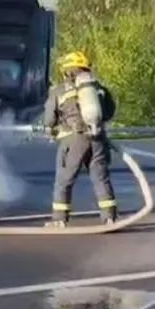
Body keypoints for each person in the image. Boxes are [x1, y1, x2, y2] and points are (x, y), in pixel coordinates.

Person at [43, 51, 117, 227]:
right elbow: (109, 112)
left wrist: (50, 130)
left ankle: (59, 220)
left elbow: (50, 119)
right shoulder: (99, 89)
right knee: (101, 178)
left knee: (64, 181)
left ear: (68, 71)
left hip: (74, 139)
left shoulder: (59, 90)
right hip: (98, 138)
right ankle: (109, 217)